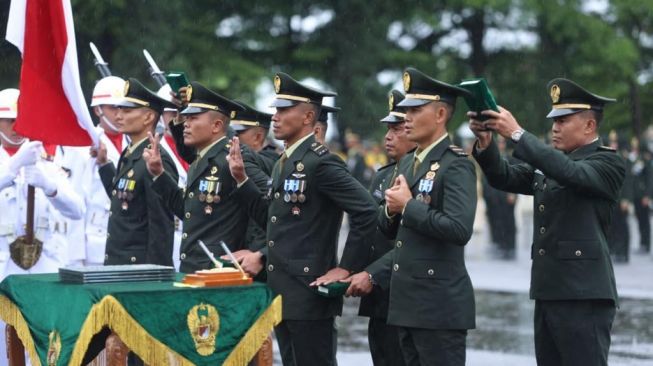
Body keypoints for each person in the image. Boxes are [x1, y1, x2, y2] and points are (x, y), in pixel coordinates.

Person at [469, 78, 625, 366]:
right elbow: (505, 176)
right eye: (554, 120)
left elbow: (570, 173)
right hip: (549, 290)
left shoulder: (607, 163)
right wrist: (486, 141)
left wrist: (516, 133)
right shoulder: (553, 162)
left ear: (590, 126)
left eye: (563, 120)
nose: (555, 127)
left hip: (584, 295)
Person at [227, 72, 377, 366]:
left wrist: (345, 267)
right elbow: (273, 219)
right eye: (275, 109)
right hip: (283, 289)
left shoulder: (321, 162)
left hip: (310, 292)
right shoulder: (287, 162)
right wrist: (243, 181)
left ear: (309, 116)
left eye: (284, 110)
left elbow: (367, 211)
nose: (275, 116)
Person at [346, 68, 478, 366]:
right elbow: (389, 231)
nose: (406, 117)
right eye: (405, 110)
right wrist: (391, 210)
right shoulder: (408, 164)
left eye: (415, 110)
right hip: (405, 305)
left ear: (441, 113)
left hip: (438, 308)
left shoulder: (455, 165)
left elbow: (459, 229)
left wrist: (408, 206)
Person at [145, 81, 269, 273]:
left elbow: (272, 213)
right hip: (194, 269)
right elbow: (188, 211)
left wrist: (259, 253)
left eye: (193, 118)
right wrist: (159, 174)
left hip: (221, 271)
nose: (185, 124)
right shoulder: (201, 157)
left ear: (217, 125)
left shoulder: (234, 156)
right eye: (186, 118)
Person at [0, 87, 85, 357]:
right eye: (9, 121)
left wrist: (50, 186)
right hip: (3, 264)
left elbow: (77, 210)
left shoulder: (44, 160)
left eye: (21, 121)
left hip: (43, 264)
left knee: (44, 345)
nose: (16, 128)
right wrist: (11, 170)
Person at [357, 89, 414, 366]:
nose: (388, 137)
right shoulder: (382, 176)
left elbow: (412, 242)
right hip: (379, 298)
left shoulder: (423, 176)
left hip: (407, 294)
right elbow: (370, 232)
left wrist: (372, 274)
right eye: (387, 129)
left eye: (397, 129)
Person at [96, 78, 178, 266]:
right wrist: (104, 166)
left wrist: (154, 274)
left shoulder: (156, 158)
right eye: (117, 110)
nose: (118, 116)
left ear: (148, 117)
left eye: (126, 111)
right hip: (120, 263)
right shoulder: (131, 151)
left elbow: (161, 225)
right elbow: (124, 199)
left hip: (139, 268)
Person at [83, 75, 128, 266]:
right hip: (95, 237)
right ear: (97, 110)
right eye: (113, 108)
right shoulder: (85, 144)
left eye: (124, 108)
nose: (120, 114)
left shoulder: (133, 142)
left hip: (128, 236)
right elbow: (79, 196)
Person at [628, 136, 652, 254]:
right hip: (635, 195)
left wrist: (647, 195)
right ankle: (642, 242)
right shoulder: (631, 158)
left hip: (643, 195)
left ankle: (646, 243)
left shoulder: (644, 159)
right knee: (638, 219)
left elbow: (649, 179)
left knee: (645, 221)